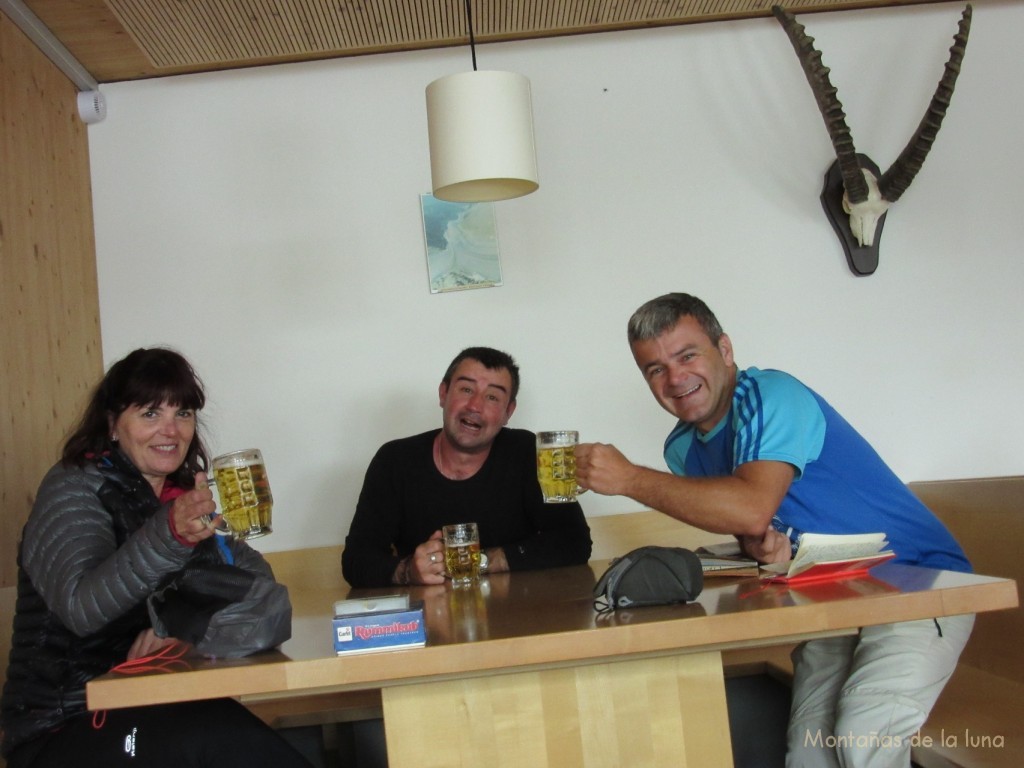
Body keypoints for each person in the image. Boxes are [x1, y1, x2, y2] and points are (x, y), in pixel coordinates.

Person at [575, 293, 973, 768]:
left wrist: (628, 479)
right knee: (809, 755)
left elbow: (748, 507)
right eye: (654, 369)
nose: (675, 378)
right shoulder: (683, 449)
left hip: (920, 585)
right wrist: (767, 549)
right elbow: (751, 523)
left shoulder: (771, 395)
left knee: (864, 736)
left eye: (687, 355)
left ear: (724, 349)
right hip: (836, 594)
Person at [0, 348, 311, 768]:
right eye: (150, 414)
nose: (170, 430)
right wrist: (171, 535)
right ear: (112, 424)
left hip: (153, 701)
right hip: (63, 726)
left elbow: (257, 586)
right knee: (220, 737)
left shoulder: (177, 497)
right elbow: (80, 607)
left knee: (231, 730)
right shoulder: (74, 488)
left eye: (182, 413)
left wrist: (181, 632)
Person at [342, 346, 592, 588]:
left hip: (518, 620)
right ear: (443, 394)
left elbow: (574, 541)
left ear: (508, 412)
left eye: (492, 396)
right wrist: (407, 571)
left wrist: (482, 561)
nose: (475, 406)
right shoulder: (395, 461)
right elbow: (356, 560)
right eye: (465, 389)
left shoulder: (528, 452)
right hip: (430, 623)